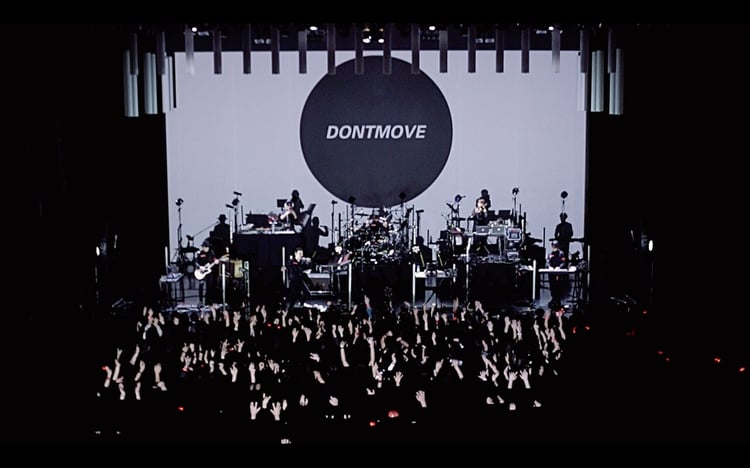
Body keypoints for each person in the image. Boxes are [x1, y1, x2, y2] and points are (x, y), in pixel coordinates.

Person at [195, 239, 220, 305]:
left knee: (210, 286)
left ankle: (209, 301)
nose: (204, 248)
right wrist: (200, 266)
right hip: (201, 271)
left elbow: (214, 259)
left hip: (209, 272)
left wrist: (216, 261)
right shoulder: (200, 253)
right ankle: (200, 300)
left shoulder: (211, 252)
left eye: (206, 247)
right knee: (201, 285)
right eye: (203, 247)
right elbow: (196, 262)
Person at [547, 241, 568, 306]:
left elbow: (563, 262)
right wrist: (549, 266)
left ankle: (558, 299)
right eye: (553, 246)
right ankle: (553, 298)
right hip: (551, 271)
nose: (554, 247)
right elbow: (547, 261)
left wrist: (559, 267)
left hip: (558, 272)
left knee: (557, 285)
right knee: (552, 285)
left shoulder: (561, 253)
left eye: (556, 245)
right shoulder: (550, 253)